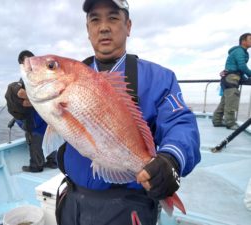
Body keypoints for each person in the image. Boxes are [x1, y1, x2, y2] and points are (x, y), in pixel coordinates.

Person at [55, 1, 201, 225]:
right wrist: (23, 109)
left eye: (113, 18)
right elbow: (45, 123)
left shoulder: (160, 78)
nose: (103, 27)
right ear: (87, 29)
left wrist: (171, 158)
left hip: (129, 207)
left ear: (128, 26)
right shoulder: (71, 75)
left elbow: (180, 123)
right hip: (71, 202)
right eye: (95, 19)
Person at [5, 50, 58, 172]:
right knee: (49, 139)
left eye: (31, 61)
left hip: (35, 122)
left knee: (35, 140)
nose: (29, 65)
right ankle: (53, 162)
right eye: (26, 62)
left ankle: (36, 166)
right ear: (21, 64)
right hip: (47, 119)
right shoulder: (40, 78)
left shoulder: (24, 81)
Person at [212, 33, 251, 130]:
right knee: (231, 100)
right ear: (243, 41)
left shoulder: (241, 51)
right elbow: (242, 66)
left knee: (225, 101)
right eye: (250, 39)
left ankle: (216, 121)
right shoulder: (239, 51)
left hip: (229, 77)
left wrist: (245, 78)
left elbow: (239, 68)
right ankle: (230, 123)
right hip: (232, 78)